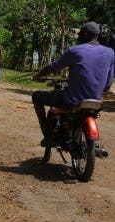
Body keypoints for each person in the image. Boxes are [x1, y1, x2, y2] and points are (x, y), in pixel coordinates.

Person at [31, 21, 114, 162]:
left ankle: (48, 137)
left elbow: (53, 66)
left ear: (85, 35)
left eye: (81, 34)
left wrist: (37, 76)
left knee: (37, 96)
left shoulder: (75, 50)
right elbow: (107, 83)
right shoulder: (110, 53)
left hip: (72, 99)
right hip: (96, 100)